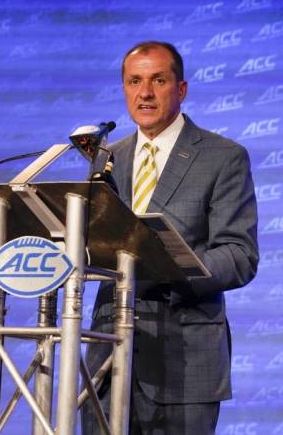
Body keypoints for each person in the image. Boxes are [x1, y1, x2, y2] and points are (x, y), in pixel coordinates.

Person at [81, 41, 259, 434]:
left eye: (158, 80)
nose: (144, 92)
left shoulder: (223, 156)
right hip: (107, 356)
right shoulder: (105, 158)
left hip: (184, 359)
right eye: (134, 81)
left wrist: (171, 264)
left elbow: (240, 254)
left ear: (181, 89)